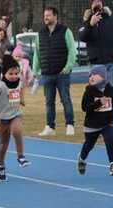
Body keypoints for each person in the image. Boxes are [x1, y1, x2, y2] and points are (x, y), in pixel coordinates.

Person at [78, 0, 113, 132]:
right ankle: (99, 126)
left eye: (99, 1)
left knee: (110, 94)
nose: (96, 3)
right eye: (94, 1)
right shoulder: (87, 22)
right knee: (96, 95)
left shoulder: (112, 21)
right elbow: (82, 37)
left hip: (111, 63)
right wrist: (90, 24)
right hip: (95, 65)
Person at [0, 54, 31, 182]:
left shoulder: (19, 81)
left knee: (17, 131)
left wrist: (22, 99)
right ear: (4, 73)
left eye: (16, 73)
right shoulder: (0, 86)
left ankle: (21, 157)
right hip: (2, 118)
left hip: (15, 114)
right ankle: (0, 165)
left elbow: (20, 88)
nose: (14, 76)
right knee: (3, 144)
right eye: (11, 73)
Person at [33, 7, 77, 137]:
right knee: (49, 102)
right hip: (47, 73)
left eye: (48, 15)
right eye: (44, 15)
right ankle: (50, 127)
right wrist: (35, 70)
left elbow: (72, 51)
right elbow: (37, 53)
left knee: (65, 100)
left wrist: (68, 67)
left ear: (55, 16)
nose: (45, 17)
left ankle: (70, 125)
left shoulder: (66, 31)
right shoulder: (40, 33)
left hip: (62, 73)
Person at [76, 65, 113, 177]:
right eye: (90, 75)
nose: (91, 77)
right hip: (91, 125)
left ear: (103, 76)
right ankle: (82, 158)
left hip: (107, 123)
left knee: (110, 139)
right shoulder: (89, 91)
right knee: (89, 145)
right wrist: (98, 103)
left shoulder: (111, 90)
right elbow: (84, 107)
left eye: (94, 75)